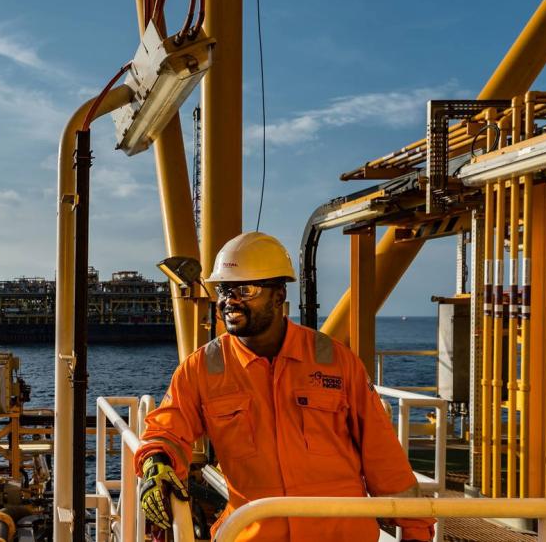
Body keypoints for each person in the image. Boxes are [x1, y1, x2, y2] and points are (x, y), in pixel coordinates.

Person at [136, 231, 435, 542]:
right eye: (224, 290)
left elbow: (383, 455)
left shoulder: (335, 361)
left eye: (245, 290)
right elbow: (166, 430)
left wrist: (415, 530)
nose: (230, 302)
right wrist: (156, 462)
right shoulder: (203, 368)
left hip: (340, 534)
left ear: (279, 296)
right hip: (254, 532)